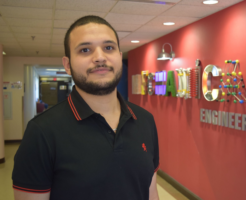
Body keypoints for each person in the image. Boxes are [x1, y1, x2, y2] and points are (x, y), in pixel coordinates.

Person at [12, 16, 160, 200]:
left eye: (108, 48)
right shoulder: (41, 132)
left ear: (119, 57)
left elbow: (151, 191)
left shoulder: (144, 119)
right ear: (67, 65)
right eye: (85, 50)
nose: (99, 57)